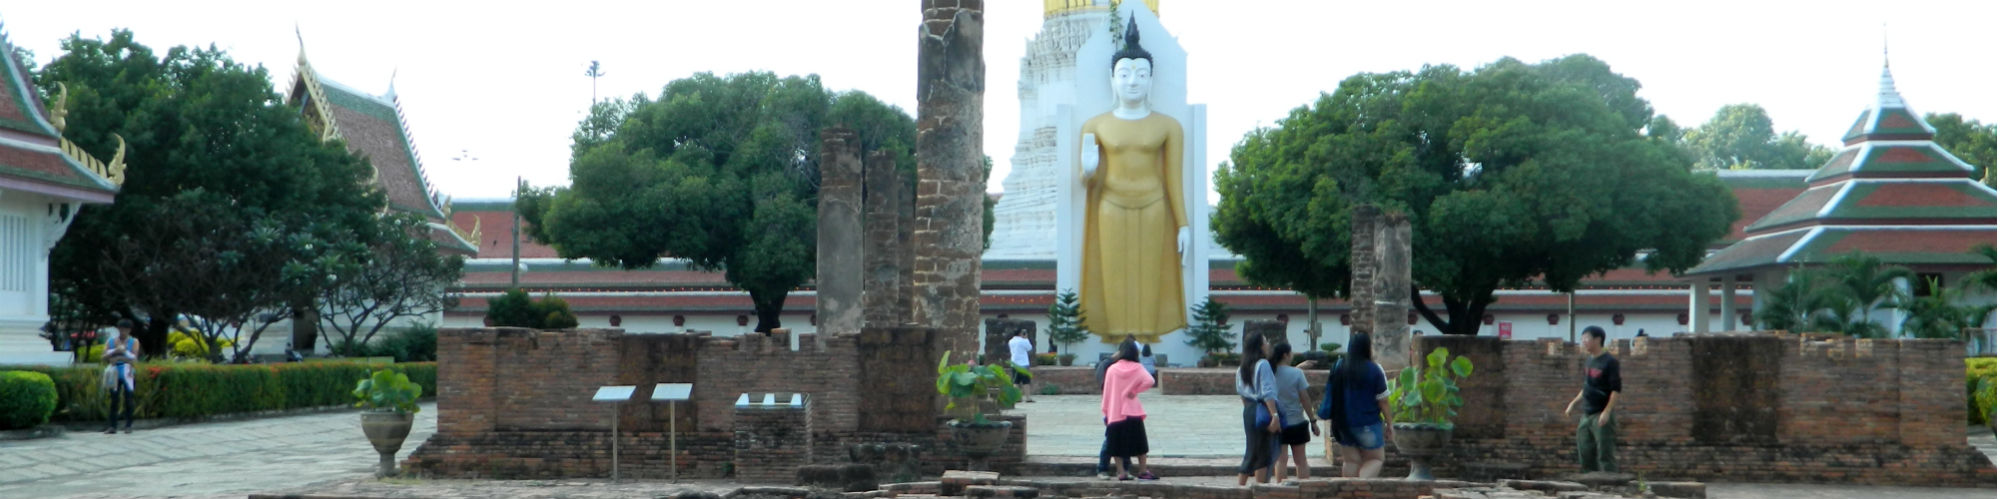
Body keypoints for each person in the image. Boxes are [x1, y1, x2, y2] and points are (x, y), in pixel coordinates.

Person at [1076, 14, 1189, 344]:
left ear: (1152, 79)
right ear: (1112, 79)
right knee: (1114, 273)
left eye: (1141, 74)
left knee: (1147, 274)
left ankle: (1144, 338)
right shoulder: (1095, 125)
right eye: (1124, 74)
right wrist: (1087, 169)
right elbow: (1088, 179)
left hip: (1154, 204)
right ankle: (1116, 337)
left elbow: (1173, 179)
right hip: (1110, 204)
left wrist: (1183, 224)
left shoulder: (1169, 126)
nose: (1132, 81)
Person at [1319, 333, 1392, 478]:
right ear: (1367, 348)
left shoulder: (1339, 366)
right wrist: (1390, 423)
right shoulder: (1374, 369)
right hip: (1367, 423)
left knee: (1351, 461)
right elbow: (1383, 400)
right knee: (1375, 459)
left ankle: (1348, 493)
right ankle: (1360, 489)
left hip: (1342, 422)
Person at [1565, 326, 1621, 472]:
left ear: (1598, 340)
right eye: (1582, 338)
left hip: (1601, 414)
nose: (1583, 341)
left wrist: (1607, 412)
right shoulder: (1589, 361)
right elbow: (1587, 387)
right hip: (1586, 414)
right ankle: (1590, 486)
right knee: (1584, 451)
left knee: (1605, 453)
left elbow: (1616, 389)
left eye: (1587, 338)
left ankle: (1611, 487)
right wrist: (1573, 403)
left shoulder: (1610, 362)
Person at [1101, 338, 1159, 480]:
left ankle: (1121, 472)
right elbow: (1150, 381)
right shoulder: (1137, 367)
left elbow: (1106, 392)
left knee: (1116, 444)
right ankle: (1143, 470)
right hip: (1133, 411)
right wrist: (1135, 390)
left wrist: (1106, 411)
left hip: (1116, 410)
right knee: (1140, 443)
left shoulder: (1112, 369)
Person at [1234, 332, 1281, 485]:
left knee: (1252, 449)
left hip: (1249, 409)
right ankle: (1261, 489)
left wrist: (1250, 410)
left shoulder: (1242, 368)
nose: (1268, 345)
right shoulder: (1263, 364)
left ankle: (1241, 487)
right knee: (1262, 453)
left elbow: (1241, 392)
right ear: (1259, 347)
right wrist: (1274, 414)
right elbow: (1268, 392)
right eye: (1265, 342)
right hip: (1262, 409)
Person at [1268, 343, 1319, 480]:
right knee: (1301, 461)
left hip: (1279, 423)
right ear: (1285, 355)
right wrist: (1313, 420)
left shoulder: (1270, 373)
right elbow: (1305, 399)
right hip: (1296, 421)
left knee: (1281, 461)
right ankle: (1303, 490)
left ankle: (1281, 492)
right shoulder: (1297, 374)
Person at [1094, 353, 1134, 479]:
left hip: (1125, 410)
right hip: (1112, 411)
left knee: (1126, 439)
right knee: (1110, 440)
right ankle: (1102, 469)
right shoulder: (1109, 370)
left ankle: (1124, 469)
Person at [102, 319, 141, 434]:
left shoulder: (134, 342)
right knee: (114, 399)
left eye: (125, 329)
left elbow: (134, 358)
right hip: (114, 371)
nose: (123, 331)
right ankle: (112, 426)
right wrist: (116, 353)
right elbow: (104, 356)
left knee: (128, 399)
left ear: (129, 330)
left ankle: (128, 425)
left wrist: (118, 357)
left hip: (127, 371)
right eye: (121, 329)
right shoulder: (111, 341)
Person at [1008, 330, 1035, 403]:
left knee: (1016, 381)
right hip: (1023, 363)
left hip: (1014, 363)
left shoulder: (1011, 341)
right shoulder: (1023, 341)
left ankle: (1017, 398)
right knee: (1026, 381)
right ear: (1020, 333)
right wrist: (1026, 338)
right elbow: (1029, 348)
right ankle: (1028, 398)